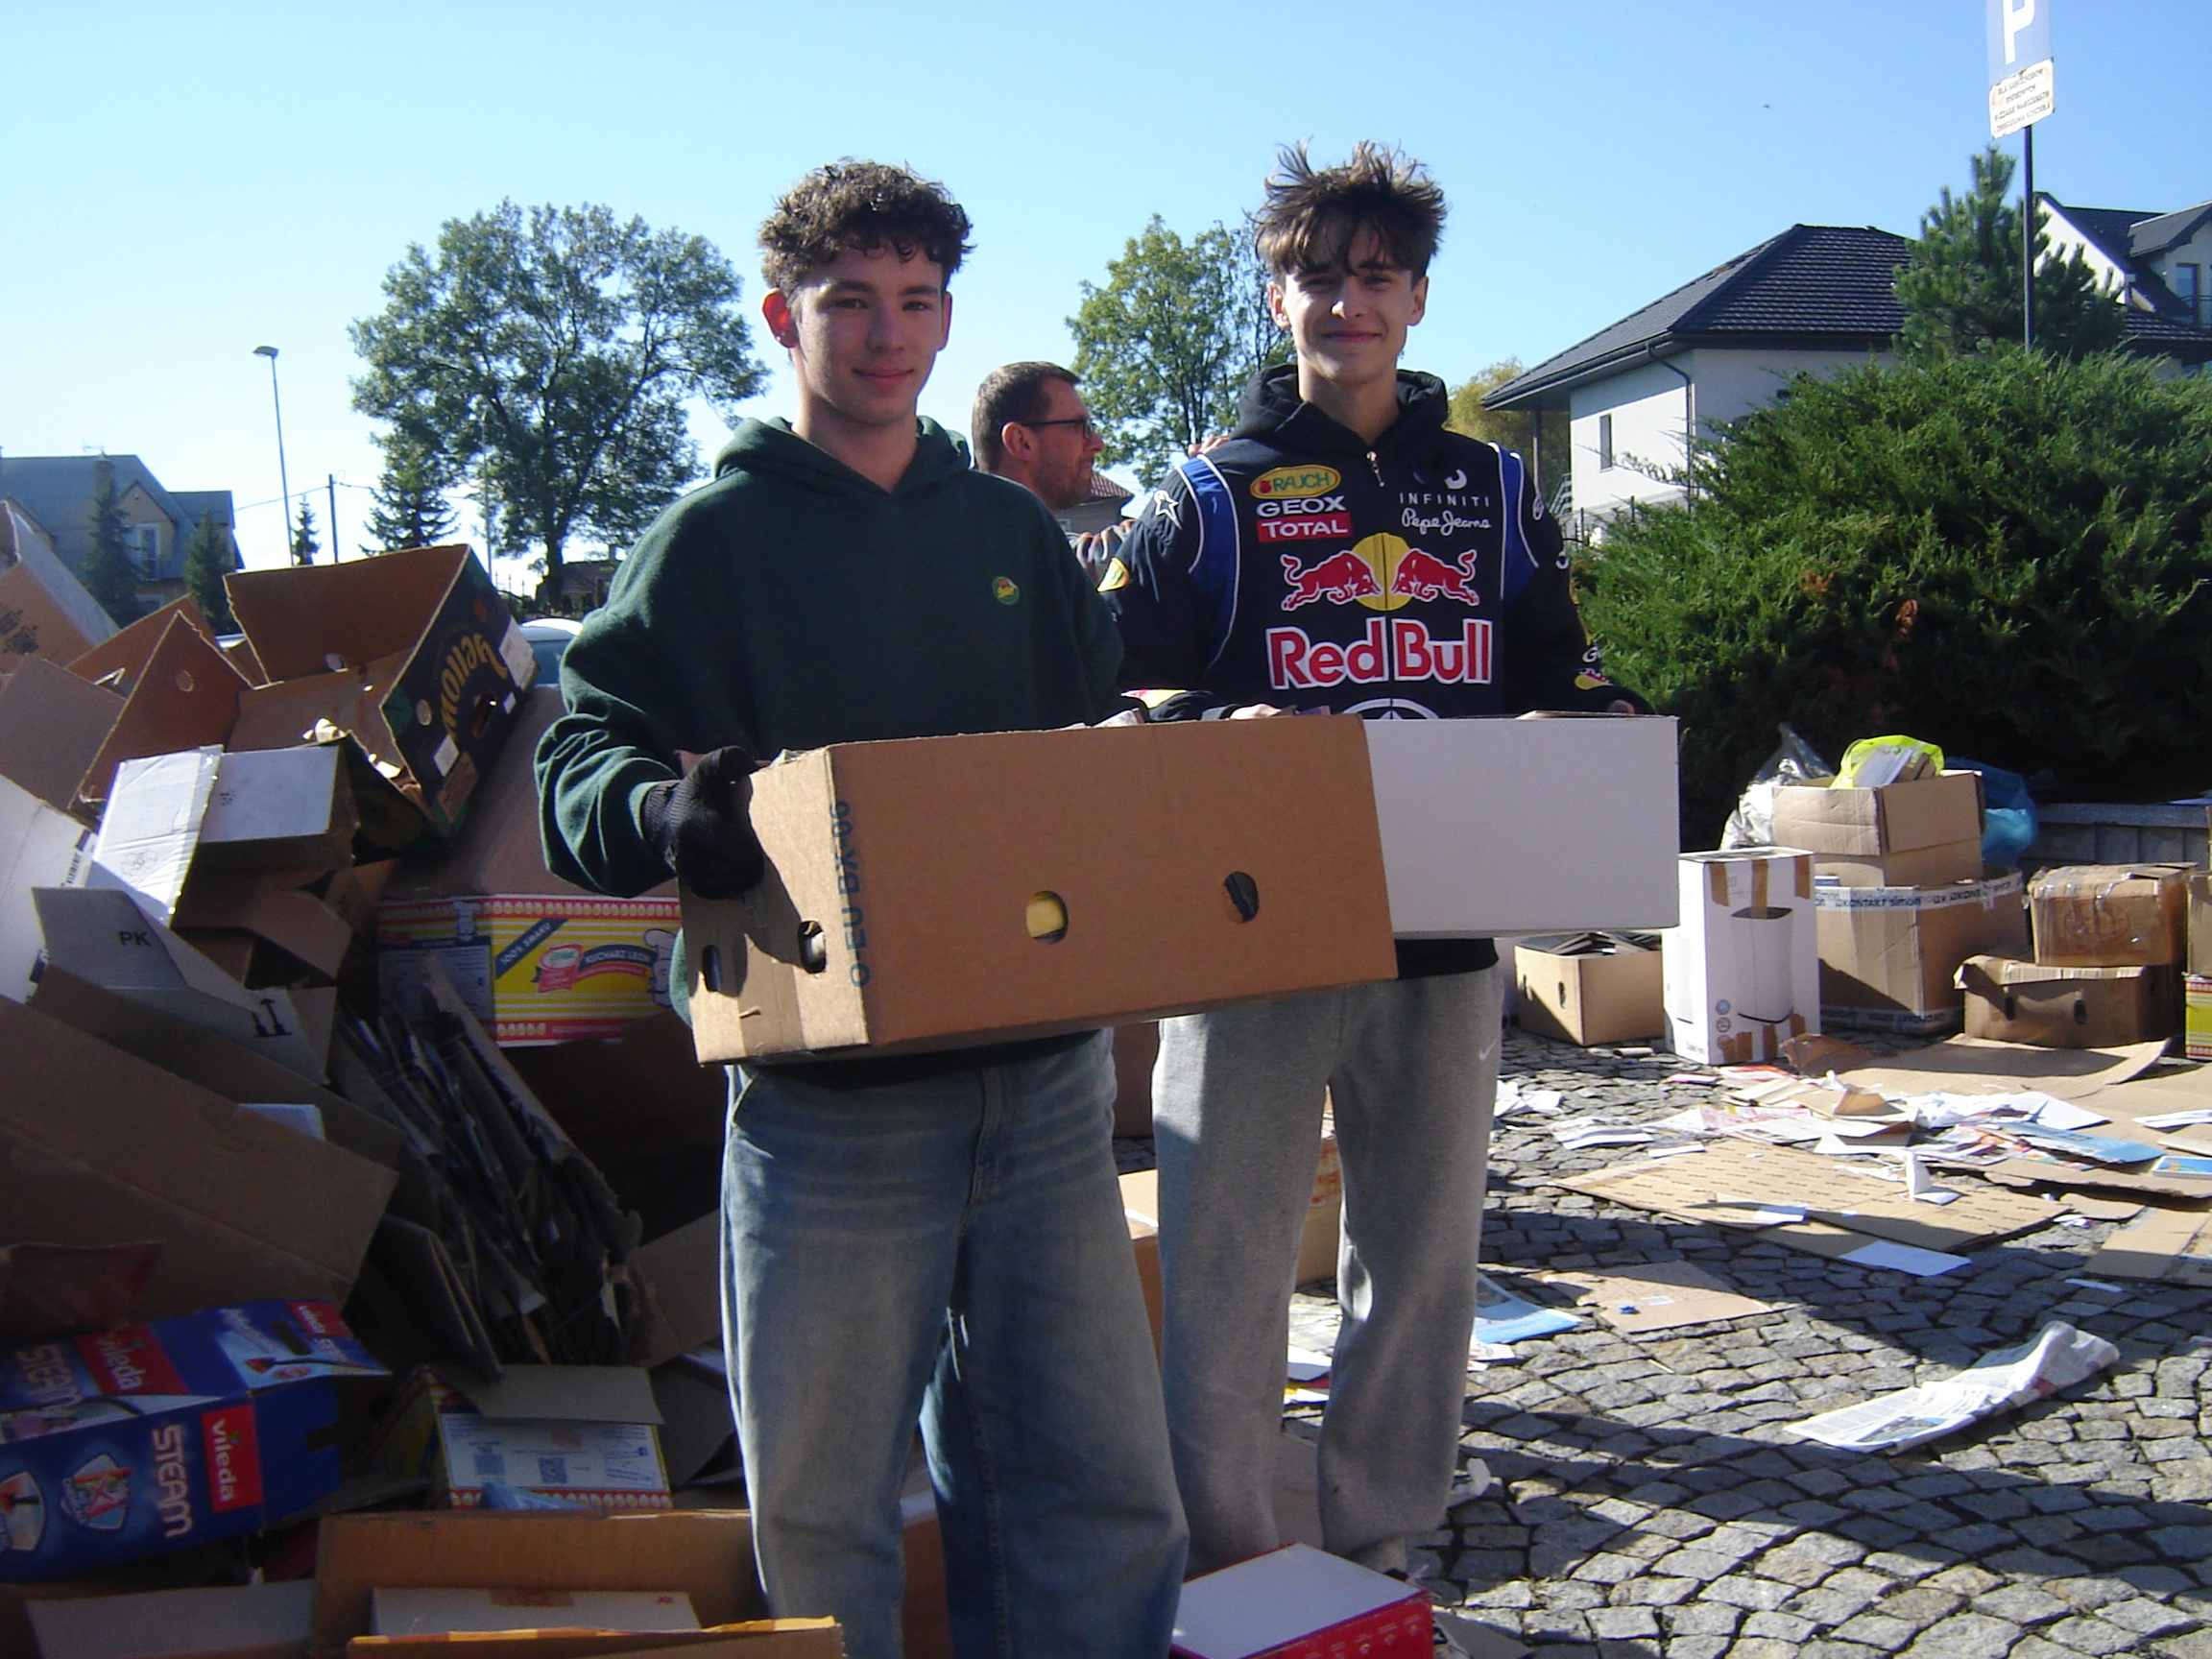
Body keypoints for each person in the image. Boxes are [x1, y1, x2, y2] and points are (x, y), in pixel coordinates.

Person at [536, 159, 1185, 1659]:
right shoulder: (714, 542)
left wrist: (1167, 743)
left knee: (1096, 1485)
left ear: (948, 319)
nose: (888, 336)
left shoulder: (1010, 536)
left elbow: (1106, 731)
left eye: (917, 301)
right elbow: (583, 752)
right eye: (851, 303)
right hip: (826, 1103)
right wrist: (659, 812)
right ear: (785, 318)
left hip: (1042, 1081)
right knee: (826, 1516)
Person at [1102, 143, 1638, 1589]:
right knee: (1224, 1270)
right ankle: (1229, 1562)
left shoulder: (1494, 487)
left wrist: (1597, 728)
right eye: (1321, 277)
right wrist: (1217, 724)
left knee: (1420, 1261)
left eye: (1378, 277)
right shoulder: (1204, 494)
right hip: (1253, 938)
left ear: (1418, 298)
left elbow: (1561, 666)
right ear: (1278, 295)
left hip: (1446, 932)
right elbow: (1116, 686)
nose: (1350, 302)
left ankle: (1386, 1541)